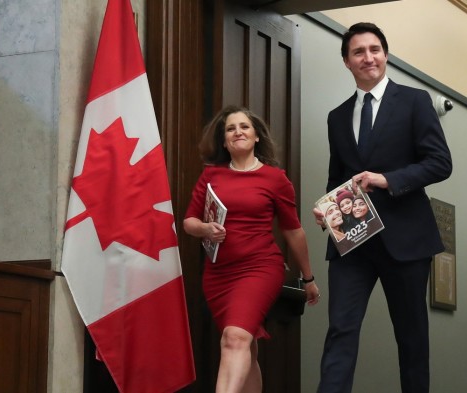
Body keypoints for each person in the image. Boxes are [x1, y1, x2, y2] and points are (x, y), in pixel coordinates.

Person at [312, 22, 452, 393]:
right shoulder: (336, 117)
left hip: (406, 240)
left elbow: (440, 163)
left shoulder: (415, 101)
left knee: (411, 337)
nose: (368, 57)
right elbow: (336, 178)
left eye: (374, 49)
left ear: (385, 55)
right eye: (358, 52)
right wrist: (327, 208)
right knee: (340, 330)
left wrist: (387, 179)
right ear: (347, 61)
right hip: (351, 242)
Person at [184, 105, 320, 393]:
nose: (238, 132)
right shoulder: (211, 177)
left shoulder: (275, 179)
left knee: (234, 339)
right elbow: (189, 222)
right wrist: (205, 228)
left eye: (244, 126)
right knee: (246, 347)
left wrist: (308, 278)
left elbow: (293, 230)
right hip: (218, 274)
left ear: (256, 135)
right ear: (224, 141)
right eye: (230, 129)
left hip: (259, 268)